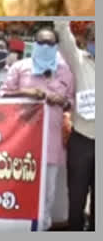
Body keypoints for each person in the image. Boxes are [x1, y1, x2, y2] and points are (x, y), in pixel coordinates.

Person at [0, 26, 75, 231]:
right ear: (34, 43)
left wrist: (63, 101)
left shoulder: (65, 71)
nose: (45, 46)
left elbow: (73, 103)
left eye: (50, 43)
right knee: (18, 189)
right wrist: (25, 92)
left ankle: (42, 229)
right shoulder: (20, 67)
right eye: (41, 42)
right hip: (21, 144)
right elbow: (2, 96)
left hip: (51, 144)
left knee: (47, 195)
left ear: (56, 46)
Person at [56, 21, 95, 231]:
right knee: (77, 194)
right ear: (87, 42)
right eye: (94, 40)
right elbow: (63, 31)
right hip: (82, 139)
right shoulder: (78, 59)